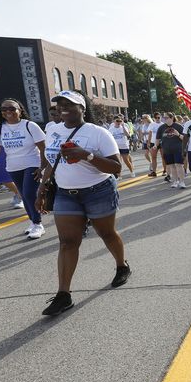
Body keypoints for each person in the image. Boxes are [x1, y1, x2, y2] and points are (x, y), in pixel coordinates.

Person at [36, 90, 129, 316]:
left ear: (82, 108)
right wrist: (42, 186)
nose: (62, 108)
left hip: (98, 191)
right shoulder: (53, 130)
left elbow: (116, 168)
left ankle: (121, 265)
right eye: (59, 104)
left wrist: (85, 155)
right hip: (66, 194)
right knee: (67, 242)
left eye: (69, 104)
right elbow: (51, 161)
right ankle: (63, 295)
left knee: (106, 234)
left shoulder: (98, 133)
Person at [0, 98, 49, 239]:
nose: (8, 111)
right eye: (4, 109)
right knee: (23, 194)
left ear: (20, 110)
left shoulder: (29, 126)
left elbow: (43, 148)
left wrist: (42, 167)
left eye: (12, 108)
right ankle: (33, 222)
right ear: (1, 112)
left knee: (29, 193)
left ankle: (38, 224)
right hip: (13, 166)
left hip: (32, 164)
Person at [156, 113, 185, 188]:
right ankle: (175, 181)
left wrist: (178, 134)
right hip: (167, 150)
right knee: (172, 166)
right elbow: (158, 138)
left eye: (166, 118)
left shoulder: (178, 126)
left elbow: (184, 138)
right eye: (164, 118)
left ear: (172, 118)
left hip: (178, 149)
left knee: (179, 165)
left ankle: (181, 182)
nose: (164, 119)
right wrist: (155, 146)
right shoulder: (161, 127)